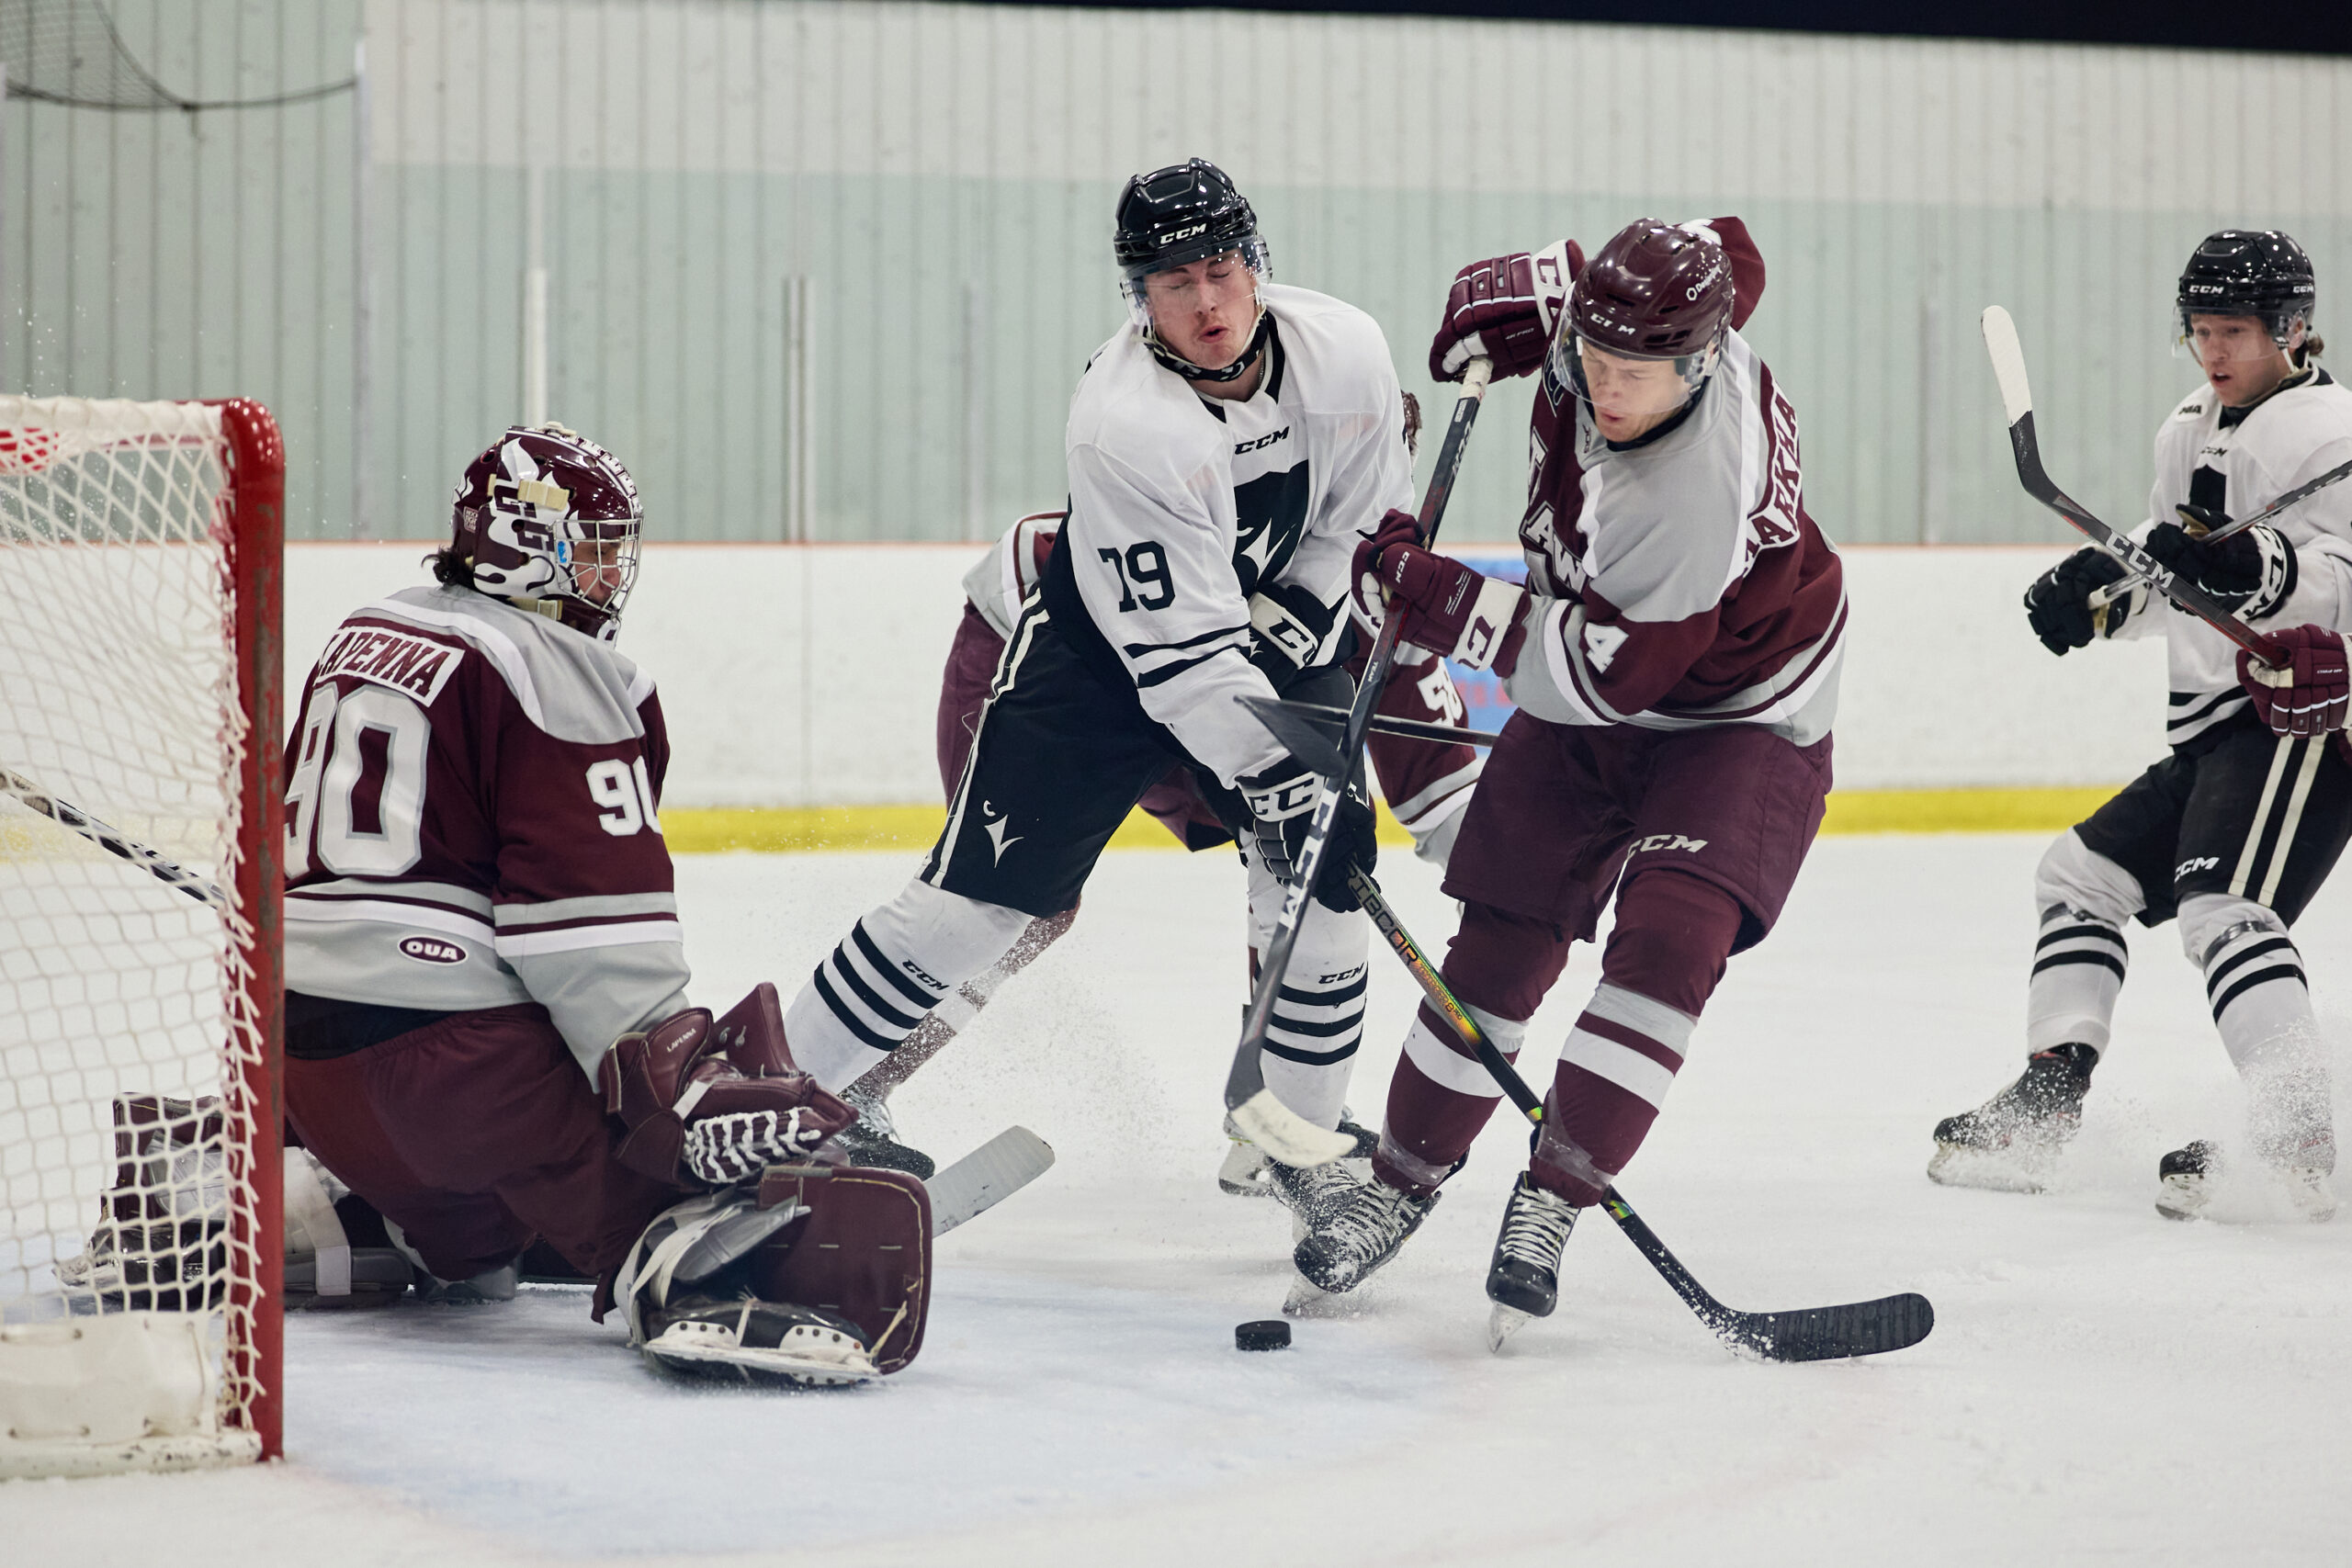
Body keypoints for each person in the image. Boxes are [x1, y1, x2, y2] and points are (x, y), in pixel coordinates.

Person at [774, 158, 1414, 1242]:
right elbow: (1182, 667)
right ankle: (770, 1099)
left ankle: (1295, 1142)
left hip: (1256, 632)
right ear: (1139, 300)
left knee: (1321, 874)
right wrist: (1272, 775)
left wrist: (1301, 629)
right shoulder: (1126, 424)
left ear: (1256, 266)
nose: (1204, 303)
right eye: (1172, 284)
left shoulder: (1344, 350)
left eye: (1218, 270)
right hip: (1103, 668)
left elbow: (1359, 526)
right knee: (986, 903)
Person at [1289, 217, 1848, 1351]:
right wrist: (1530, 281)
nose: (1603, 389)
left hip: (1737, 709)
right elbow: (1730, 243)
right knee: (1499, 937)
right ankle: (1398, 1180)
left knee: (1670, 943)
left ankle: (1554, 1195)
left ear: (1702, 361)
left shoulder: (1689, 492)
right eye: (1591, 357)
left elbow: (1600, 674)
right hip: (1598, 659)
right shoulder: (1625, 322)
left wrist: (1442, 603)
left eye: (1633, 375)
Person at [269, 423, 929, 1382]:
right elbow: (588, 936)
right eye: (590, 545)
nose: (607, 572)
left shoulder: (368, 629)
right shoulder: (555, 668)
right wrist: (679, 1092)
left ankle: (360, 1215)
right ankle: (688, 1268)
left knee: (480, 1246)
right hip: (463, 1079)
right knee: (665, 1205)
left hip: (308, 1078)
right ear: (524, 544)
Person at [849, 491, 1486, 1195]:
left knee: (1289, 862)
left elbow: (1450, 799)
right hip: (1054, 656)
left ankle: (1265, 1117)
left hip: (1215, 699)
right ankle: (848, 1086)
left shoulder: (1388, 601)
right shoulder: (1216, 511)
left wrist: (1516, 918)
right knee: (1015, 906)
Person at [1931, 231, 2352, 1221]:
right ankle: (2047, 1098)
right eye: (2199, 331)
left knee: (2225, 913)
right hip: (2214, 727)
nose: (2213, 350)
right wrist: (2104, 600)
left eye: (2234, 332)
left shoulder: (2332, 430)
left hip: (2303, 725)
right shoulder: (2185, 427)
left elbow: (2336, 577)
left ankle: (2294, 1135)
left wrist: (2255, 569)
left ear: (2291, 330)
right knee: (2078, 879)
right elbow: (2179, 583)